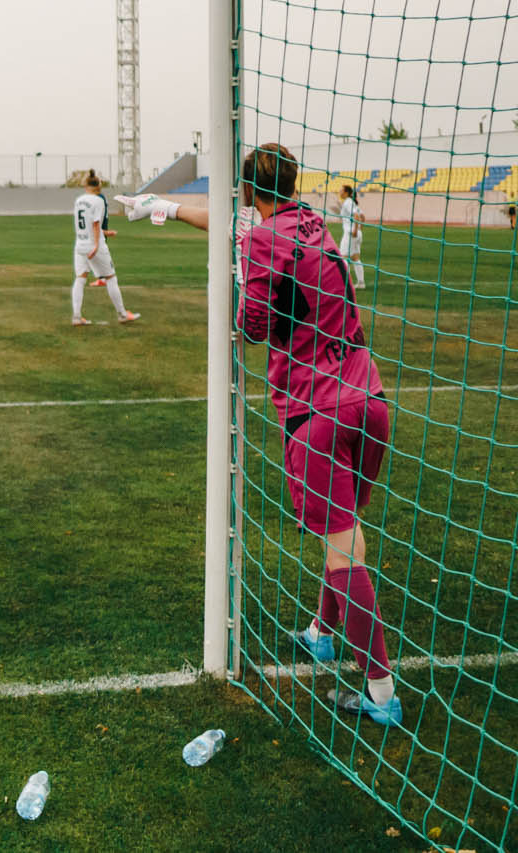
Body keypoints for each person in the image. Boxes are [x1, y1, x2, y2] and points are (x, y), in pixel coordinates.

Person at [119, 146, 401, 724]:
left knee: (346, 549)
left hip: (317, 410)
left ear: (246, 190)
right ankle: (322, 631)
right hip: (368, 399)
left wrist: (242, 284)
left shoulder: (262, 241)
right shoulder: (312, 223)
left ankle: (381, 692)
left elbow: (252, 328)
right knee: (343, 529)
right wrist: (162, 208)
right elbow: (231, 227)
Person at [70, 172, 138, 326]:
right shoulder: (98, 201)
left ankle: (76, 316)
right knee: (111, 277)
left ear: (86, 185)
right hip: (95, 245)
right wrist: (95, 245)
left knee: (80, 279)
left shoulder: (79, 201)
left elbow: (86, 225)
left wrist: (106, 233)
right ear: (98, 186)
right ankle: (122, 314)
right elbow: (95, 224)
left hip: (80, 245)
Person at [336, 184, 364, 287]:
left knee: (344, 257)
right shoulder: (351, 202)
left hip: (350, 233)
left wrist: (355, 230)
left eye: (341, 190)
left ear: (346, 192)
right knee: (355, 258)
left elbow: (357, 216)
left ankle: (344, 284)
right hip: (356, 233)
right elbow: (362, 216)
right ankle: (361, 283)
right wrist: (360, 229)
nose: (339, 192)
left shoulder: (348, 202)